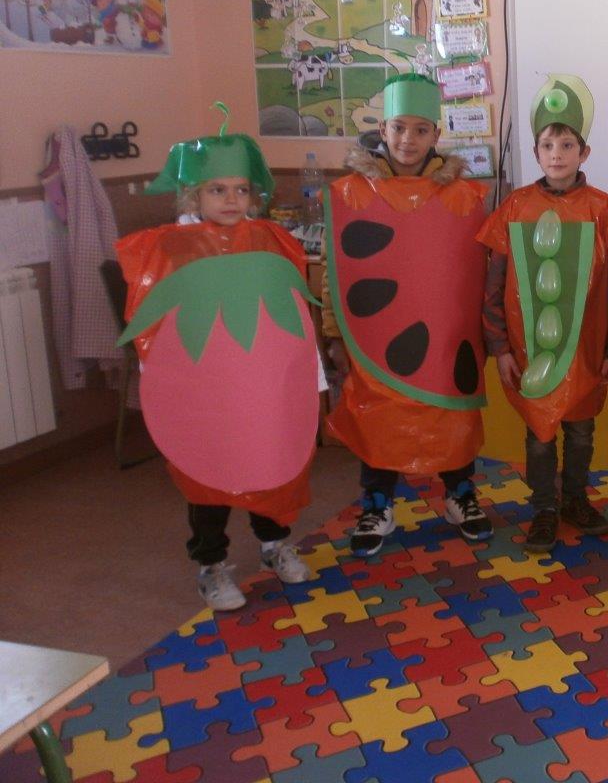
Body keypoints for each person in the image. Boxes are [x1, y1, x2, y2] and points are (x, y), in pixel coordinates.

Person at [116, 116, 315, 610]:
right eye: (217, 189)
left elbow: (292, 312)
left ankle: (274, 544)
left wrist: (306, 376)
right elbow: (154, 322)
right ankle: (210, 564)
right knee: (208, 472)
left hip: (260, 384)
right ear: (193, 196)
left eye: (241, 189)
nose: (231, 200)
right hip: (204, 391)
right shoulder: (170, 248)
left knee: (269, 461)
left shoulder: (270, 239)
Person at [323, 73, 492, 556]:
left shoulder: (465, 195)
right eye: (399, 128)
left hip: (446, 331)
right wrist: (335, 333)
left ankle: (460, 494)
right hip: (376, 334)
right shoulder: (353, 194)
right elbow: (340, 270)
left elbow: (479, 268)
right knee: (381, 413)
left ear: (436, 134)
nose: (408, 140)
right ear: (383, 130)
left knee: (449, 411)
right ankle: (377, 502)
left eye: (420, 130)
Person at [477, 75, 608, 553]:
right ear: (536, 152)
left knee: (580, 431)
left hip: (585, 348)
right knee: (539, 435)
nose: (557, 154)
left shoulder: (602, 209)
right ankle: (544, 508)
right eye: (547, 145)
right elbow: (494, 282)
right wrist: (500, 347)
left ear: (584, 152)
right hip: (529, 348)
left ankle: (575, 500)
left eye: (567, 145)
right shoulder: (516, 206)